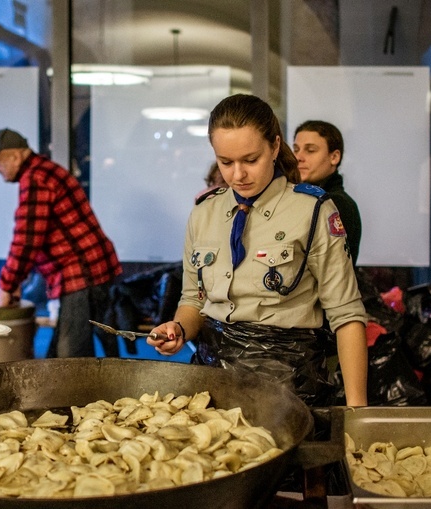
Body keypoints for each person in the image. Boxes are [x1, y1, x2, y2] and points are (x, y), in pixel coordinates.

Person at [147, 94, 368, 407]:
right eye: (226, 162)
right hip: (210, 382)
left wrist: (357, 413)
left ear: (275, 147)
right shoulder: (204, 213)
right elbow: (193, 298)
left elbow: (346, 315)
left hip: (288, 384)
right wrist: (179, 328)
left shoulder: (313, 210)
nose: (238, 175)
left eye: (251, 160)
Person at [0, 128, 122, 358]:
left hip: (80, 274)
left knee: (71, 360)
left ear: (14, 156)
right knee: (61, 356)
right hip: (91, 270)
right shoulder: (43, 171)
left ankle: (85, 394)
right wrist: (15, 282)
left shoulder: (35, 178)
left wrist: (5, 285)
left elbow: (27, 239)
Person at [293, 120, 362, 266]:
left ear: (334, 157)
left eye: (310, 150)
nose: (299, 157)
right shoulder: (298, 198)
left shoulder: (337, 204)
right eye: (296, 149)